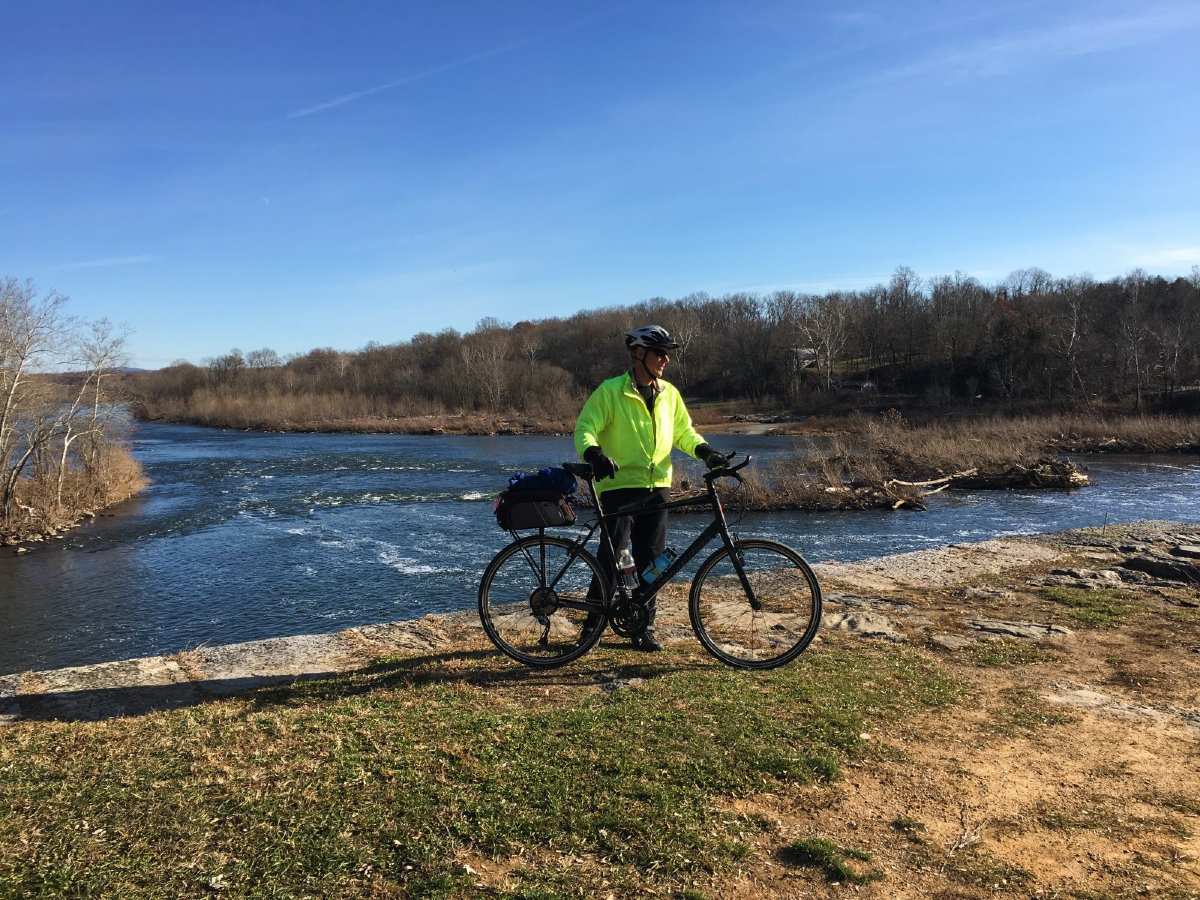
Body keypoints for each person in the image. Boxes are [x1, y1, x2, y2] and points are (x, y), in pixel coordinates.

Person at [574, 324, 727, 651]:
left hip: (657, 486)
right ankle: (592, 627)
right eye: (659, 353)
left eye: (667, 354)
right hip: (619, 486)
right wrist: (594, 454)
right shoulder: (611, 391)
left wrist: (705, 452)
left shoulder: (669, 394)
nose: (665, 360)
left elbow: (684, 432)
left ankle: (643, 626)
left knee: (653, 560)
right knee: (613, 557)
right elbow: (585, 428)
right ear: (638, 354)